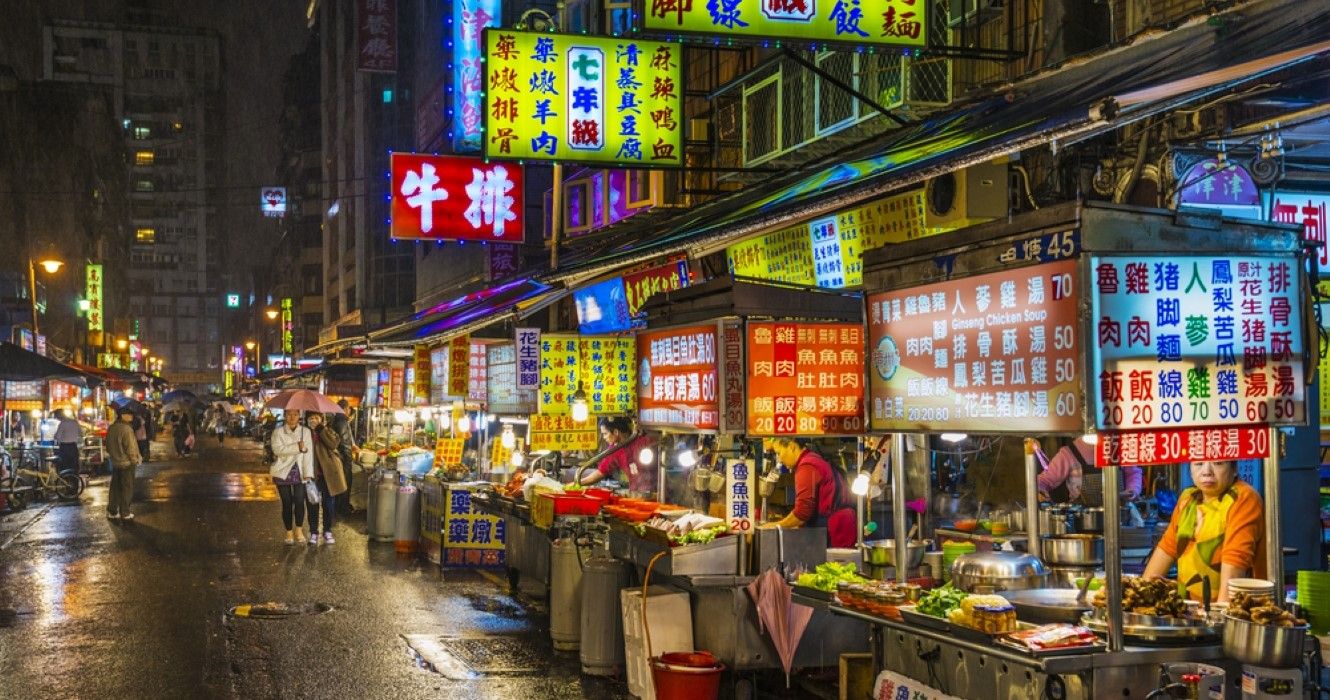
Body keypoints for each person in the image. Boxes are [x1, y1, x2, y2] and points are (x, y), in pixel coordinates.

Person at [1143, 460, 1265, 602]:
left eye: (1218, 463)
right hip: (1192, 612)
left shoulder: (1243, 498)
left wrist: (1219, 619)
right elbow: (1167, 548)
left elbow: (1235, 565)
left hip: (1236, 610)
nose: (1207, 472)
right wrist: (1142, 597)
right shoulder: (1188, 499)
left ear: (1234, 469)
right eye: (1199, 464)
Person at [760, 437, 857, 548]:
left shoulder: (807, 466)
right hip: (843, 524)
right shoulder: (813, 459)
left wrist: (775, 526)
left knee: (835, 565)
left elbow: (802, 513)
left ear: (792, 446)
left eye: (779, 452)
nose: (779, 459)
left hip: (836, 529)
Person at [1037, 436, 1143, 504]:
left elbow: (1133, 473)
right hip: (1082, 520)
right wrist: (1040, 491)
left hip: (1119, 516)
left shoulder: (1120, 446)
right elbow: (1045, 480)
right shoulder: (1070, 453)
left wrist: (1133, 490)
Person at [269, 410, 315, 545]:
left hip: (300, 470)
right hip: (282, 470)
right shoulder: (278, 432)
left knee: (300, 501)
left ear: (299, 416)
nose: (292, 417)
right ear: (284, 416)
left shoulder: (305, 432)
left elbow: (308, 453)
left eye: (295, 414)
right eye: (289, 414)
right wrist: (297, 447)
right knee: (287, 502)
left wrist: (308, 472)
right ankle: (289, 531)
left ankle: (299, 529)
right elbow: (277, 450)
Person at [578, 417, 657, 494]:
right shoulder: (614, 450)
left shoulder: (645, 441)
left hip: (658, 491)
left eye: (605, 434)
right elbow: (600, 472)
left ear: (616, 432)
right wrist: (578, 482)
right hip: (636, 493)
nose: (604, 437)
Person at [305, 413, 348, 544]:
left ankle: (327, 530)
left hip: (328, 474)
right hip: (312, 474)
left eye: (316, 418)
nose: (313, 420)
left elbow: (333, 444)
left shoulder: (328, 431)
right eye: (311, 418)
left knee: (329, 504)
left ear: (322, 420)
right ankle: (313, 532)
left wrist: (320, 429)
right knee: (312, 504)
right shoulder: (305, 434)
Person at [105, 408, 142, 520]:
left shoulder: (112, 428)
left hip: (116, 462)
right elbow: (130, 447)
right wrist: (135, 460)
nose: (131, 417)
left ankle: (112, 511)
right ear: (123, 415)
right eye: (130, 415)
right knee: (127, 487)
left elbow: (107, 446)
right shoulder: (126, 429)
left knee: (115, 487)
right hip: (127, 463)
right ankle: (125, 513)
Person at [331, 408, 357, 516]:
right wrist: (348, 459)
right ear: (346, 409)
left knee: (340, 484)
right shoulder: (342, 421)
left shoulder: (336, 419)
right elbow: (345, 443)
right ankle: (342, 509)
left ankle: (338, 508)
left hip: (339, 457)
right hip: (343, 459)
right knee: (345, 484)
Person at [53, 409, 82, 475]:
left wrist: (55, 436)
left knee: (65, 466)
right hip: (73, 447)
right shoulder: (74, 422)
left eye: (56, 416)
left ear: (59, 415)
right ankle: (75, 482)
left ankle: (66, 482)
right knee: (74, 466)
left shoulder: (62, 423)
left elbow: (57, 436)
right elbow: (80, 433)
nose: (56, 418)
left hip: (64, 447)